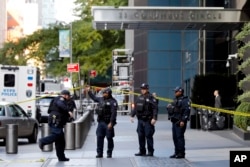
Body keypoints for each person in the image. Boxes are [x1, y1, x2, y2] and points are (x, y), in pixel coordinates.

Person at [38, 90, 73, 161]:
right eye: (68, 96)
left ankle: (61, 157)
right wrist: (68, 111)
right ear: (65, 95)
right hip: (55, 120)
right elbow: (60, 104)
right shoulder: (60, 99)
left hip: (58, 121)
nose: (69, 97)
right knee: (57, 134)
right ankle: (43, 141)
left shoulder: (60, 100)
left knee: (60, 141)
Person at [85, 86, 118, 158]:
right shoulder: (101, 99)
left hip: (108, 123)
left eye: (105, 93)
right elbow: (94, 98)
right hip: (101, 122)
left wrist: (111, 123)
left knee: (109, 138)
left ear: (108, 93)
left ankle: (109, 153)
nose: (103, 94)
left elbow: (113, 113)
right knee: (99, 137)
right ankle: (99, 153)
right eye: (103, 93)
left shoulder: (113, 102)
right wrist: (89, 91)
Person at [130, 83, 158, 156]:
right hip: (140, 120)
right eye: (142, 89)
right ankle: (142, 151)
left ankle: (150, 151)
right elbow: (135, 107)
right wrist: (132, 115)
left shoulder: (151, 97)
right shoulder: (139, 97)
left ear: (147, 89)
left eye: (144, 89)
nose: (142, 90)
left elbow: (155, 108)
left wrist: (154, 118)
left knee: (148, 135)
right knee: (140, 135)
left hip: (148, 120)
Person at [166, 86, 190, 159]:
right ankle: (176, 152)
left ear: (180, 92)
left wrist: (183, 120)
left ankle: (181, 153)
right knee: (175, 138)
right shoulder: (175, 100)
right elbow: (172, 109)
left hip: (180, 122)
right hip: (174, 121)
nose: (175, 93)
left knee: (180, 137)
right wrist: (169, 108)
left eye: (176, 91)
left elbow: (187, 111)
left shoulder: (185, 100)